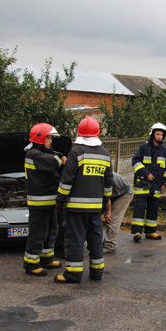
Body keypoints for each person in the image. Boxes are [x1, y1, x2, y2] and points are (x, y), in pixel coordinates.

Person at [54, 116, 113, 284]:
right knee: (95, 238)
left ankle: (73, 274)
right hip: (95, 208)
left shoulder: (76, 152)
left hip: (76, 208)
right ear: (97, 133)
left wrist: (59, 203)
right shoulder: (105, 154)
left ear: (79, 133)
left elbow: (66, 181)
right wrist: (105, 202)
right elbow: (108, 184)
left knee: (75, 240)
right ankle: (97, 272)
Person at [23, 123, 66, 276]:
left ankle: (47, 258)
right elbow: (53, 162)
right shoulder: (33, 154)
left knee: (51, 230)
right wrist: (60, 160)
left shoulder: (42, 153)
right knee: (38, 233)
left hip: (48, 201)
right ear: (40, 138)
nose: (51, 141)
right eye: (48, 137)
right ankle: (31, 263)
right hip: (39, 202)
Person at [130, 122, 166, 242]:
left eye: (161, 135)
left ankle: (150, 231)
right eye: (157, 134)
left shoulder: (164, 150)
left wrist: (165, 183)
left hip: (157, 184)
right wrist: (145, 173)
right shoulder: (143, 148)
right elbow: (135, 162)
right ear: (152, 134)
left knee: (153, 208)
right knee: (140, 207)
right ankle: (137, 231)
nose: (159, 137)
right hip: (142, 183)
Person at [102, 172, 133, 253]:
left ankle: (110, 245)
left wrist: (108, 211)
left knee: (113, 218)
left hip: (124, 193)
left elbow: (106, 198)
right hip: (113, 191)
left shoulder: (101, 179)